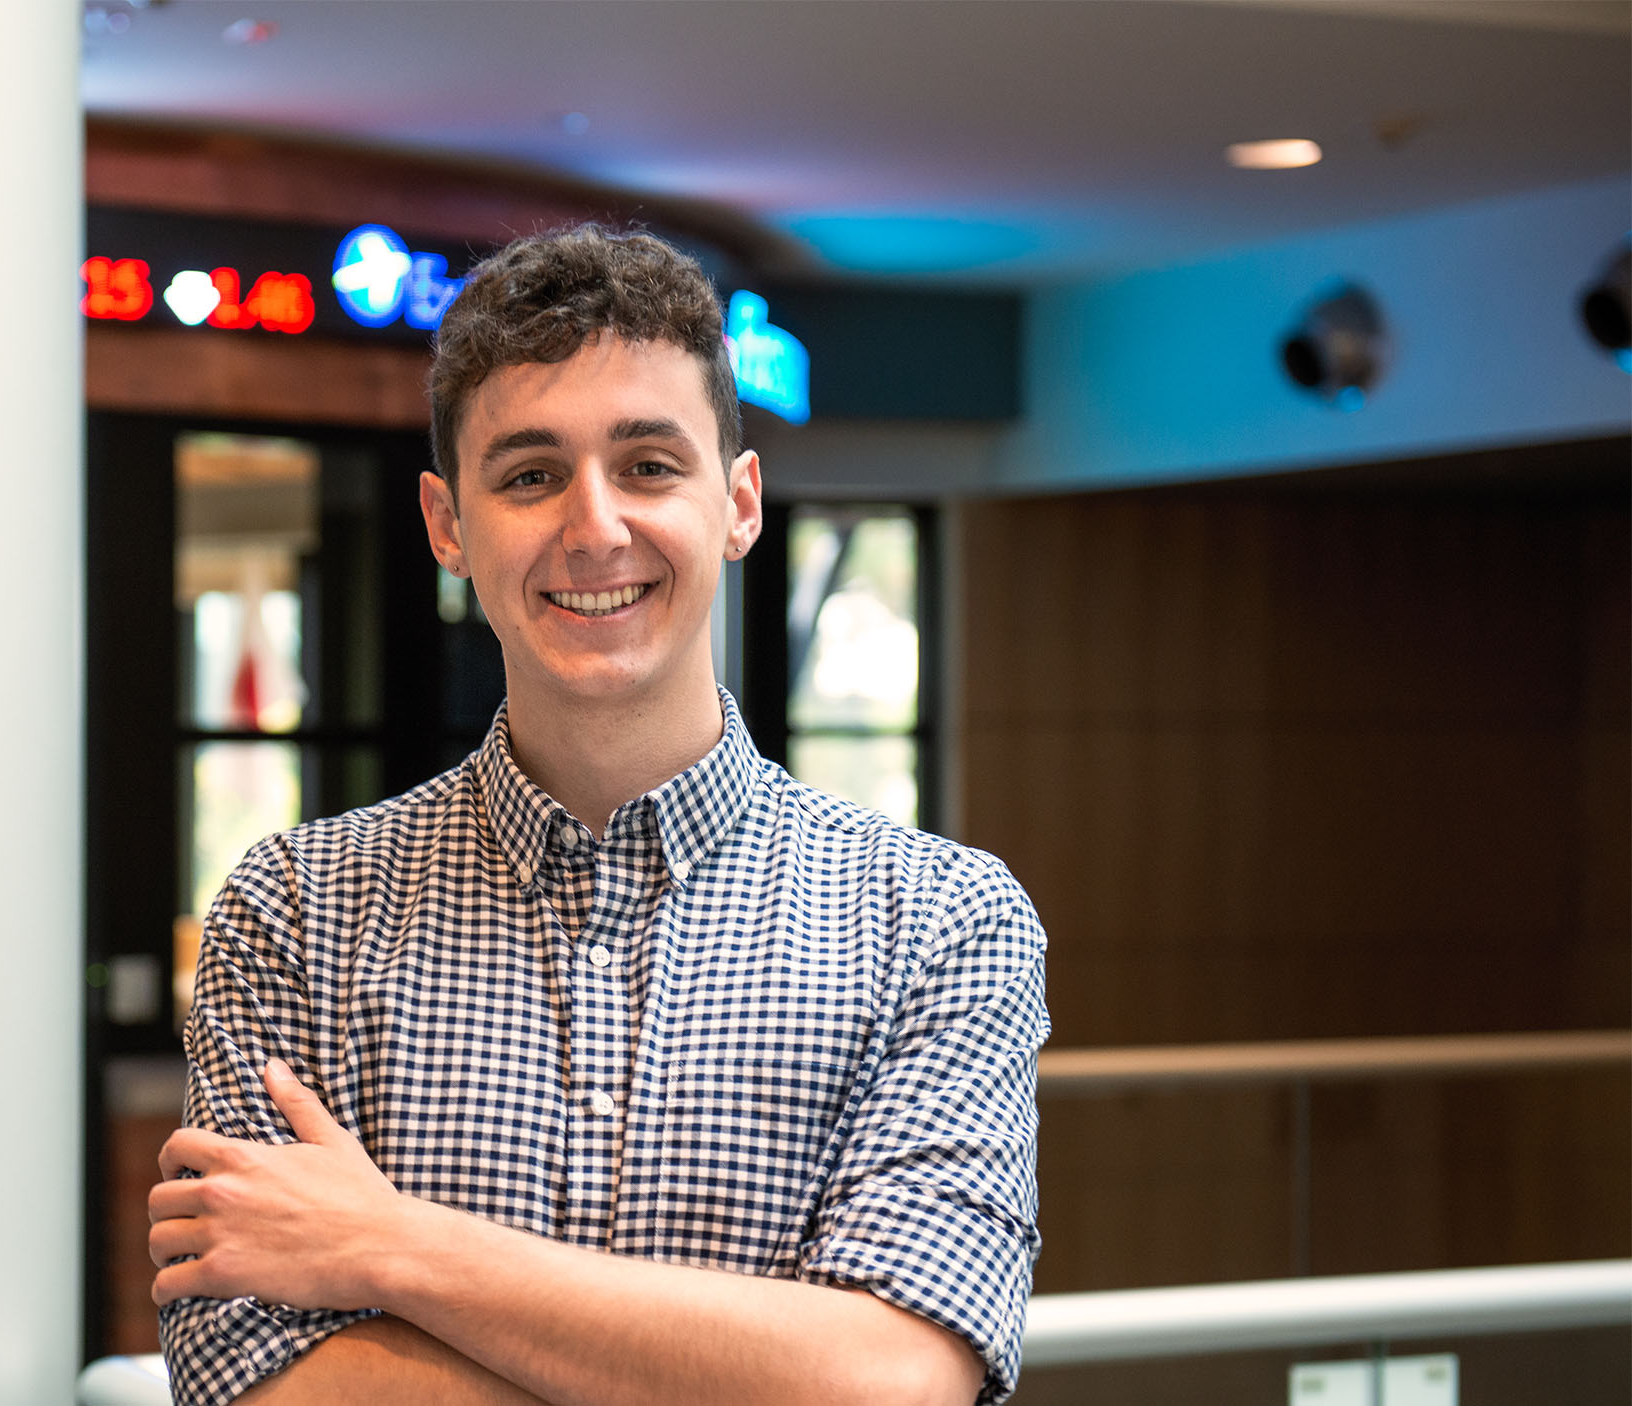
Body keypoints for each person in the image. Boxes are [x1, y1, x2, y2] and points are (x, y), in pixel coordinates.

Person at [150, 225, 1048, 1406]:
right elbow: (252, 1383)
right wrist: (742, 1363)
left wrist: (385, 1243)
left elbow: (888, 1377)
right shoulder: (297, 910)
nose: (594, 526)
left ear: (737, 502)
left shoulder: (940, 920)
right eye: (529, 474)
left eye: (647, 466)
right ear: (447, 524)